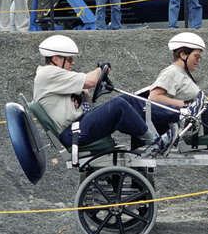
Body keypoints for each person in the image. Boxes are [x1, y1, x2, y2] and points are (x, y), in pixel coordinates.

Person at [32, 35, 189, 153]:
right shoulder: (49, 74)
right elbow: (90, 81)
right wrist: (102, 68)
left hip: (77, 126)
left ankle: (180, 114)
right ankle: (156, 142)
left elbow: (86, 90)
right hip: (73, 133)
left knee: (126, 99)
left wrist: (86, 86)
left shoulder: (55, 76)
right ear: (56, 59)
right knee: (119, 105)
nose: (73, 63)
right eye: (70, 59)